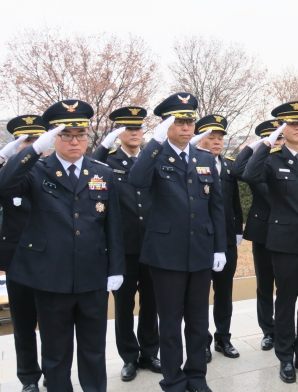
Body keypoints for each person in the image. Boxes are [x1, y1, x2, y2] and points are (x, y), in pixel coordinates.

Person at [0, 100, 126, 392]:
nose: (74, 141)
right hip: (51, 278)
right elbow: (4, 185)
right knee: (56, 354)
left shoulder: (101, 173)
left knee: (93, 350)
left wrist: (116, 268)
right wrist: (31, 150)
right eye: (65, 134)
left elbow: (112, 227)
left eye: (80, 134)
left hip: (92, 277)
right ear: (52, 138)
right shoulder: (35, 171)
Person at [129, 93, 227, 392]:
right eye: (179, 121)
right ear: (165, 125)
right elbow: (137, 180)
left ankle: (196, 376)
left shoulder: (204, 157)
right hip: (166, 254)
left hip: (200, 251)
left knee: (198, 322)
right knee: (170, 323)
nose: (186, 127)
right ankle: (173, 379)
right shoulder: (154, 155)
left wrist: (220, 246)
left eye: (190, 121)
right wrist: (155, 143)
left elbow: (216, 206)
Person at [243, 102, 298, 384]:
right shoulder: (272, 159)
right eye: (291, 123)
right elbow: (249, 175)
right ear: (282, 127)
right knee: (287, 301)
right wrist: (266, 143)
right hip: (285, 243)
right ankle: (286, 358)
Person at [91, 106, 160, 381]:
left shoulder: (152, 158)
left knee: (152, 303)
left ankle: (150, 352)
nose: (134, 133)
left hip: (153, 245)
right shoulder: (107, 161)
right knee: (123, 306)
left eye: (138, 128)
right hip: (123, 247)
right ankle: (129, 357)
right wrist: (103, 144)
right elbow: (90, 169)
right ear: (119, 134)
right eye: (127, 129)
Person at [0, 115, 50, 392]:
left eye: (35, 140)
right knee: (23, 325)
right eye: (25, 141)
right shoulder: (7, 174)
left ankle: (54, 373)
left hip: (49, 258)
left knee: (54, 324)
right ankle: (29, 378)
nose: (31, 145)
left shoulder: (50, 170)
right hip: (19, 260)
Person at [193, 114, 243, 361]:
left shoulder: (230, 166)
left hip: (225, 240)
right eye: (211, 137)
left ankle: (223, 338)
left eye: (220, 138)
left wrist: (238, 231)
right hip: (201, 239)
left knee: (224, 291)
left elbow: (234, 204)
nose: (216, 142)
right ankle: (201, 340)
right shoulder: (191, 165)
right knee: (199, 295)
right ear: (199, 139)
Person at [230, 120, 283, 351]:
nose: (276, 143)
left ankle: (283, 328)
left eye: (279, 137)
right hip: (263, 231)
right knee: (264, 284)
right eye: (271, 139)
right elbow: (237, 170)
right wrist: (253, 147)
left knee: (286, 285)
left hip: (286, 232)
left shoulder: (288, 162)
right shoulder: (257, 165)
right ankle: (268, 330)